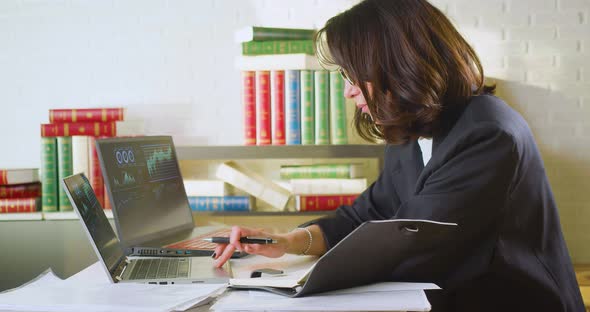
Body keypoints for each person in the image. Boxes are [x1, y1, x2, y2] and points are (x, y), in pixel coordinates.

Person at [214, 0, 584, 311]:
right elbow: (369, 215)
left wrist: (299, 285)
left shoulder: (488, 134)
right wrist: (287, 241)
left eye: (352, 75)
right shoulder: (415, 129)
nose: (348, 92)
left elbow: (411, 247)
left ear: (396, 64)